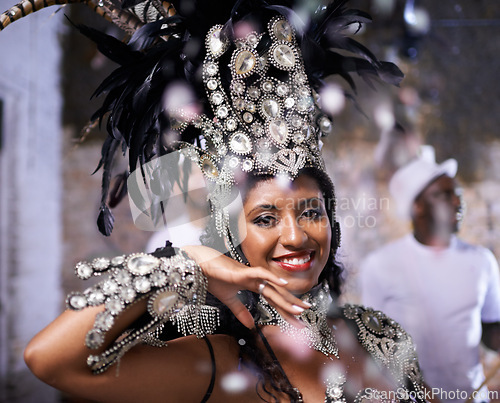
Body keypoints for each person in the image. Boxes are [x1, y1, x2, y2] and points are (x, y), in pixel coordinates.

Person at [2, 0, 431, 401]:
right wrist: (186, 261)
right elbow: (50, 361)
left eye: (311, 212)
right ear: (233, 233)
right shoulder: (225, 358)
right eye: (265, 218)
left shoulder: (381, 333)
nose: (296, 235)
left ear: (332, 223)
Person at [360, 146, 500, 402]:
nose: (458, 203)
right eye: (445, 195)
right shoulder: (381, 265)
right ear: (417, 207)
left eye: (458, 194)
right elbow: (371, 347)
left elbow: (492, 333)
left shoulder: (482, 261)